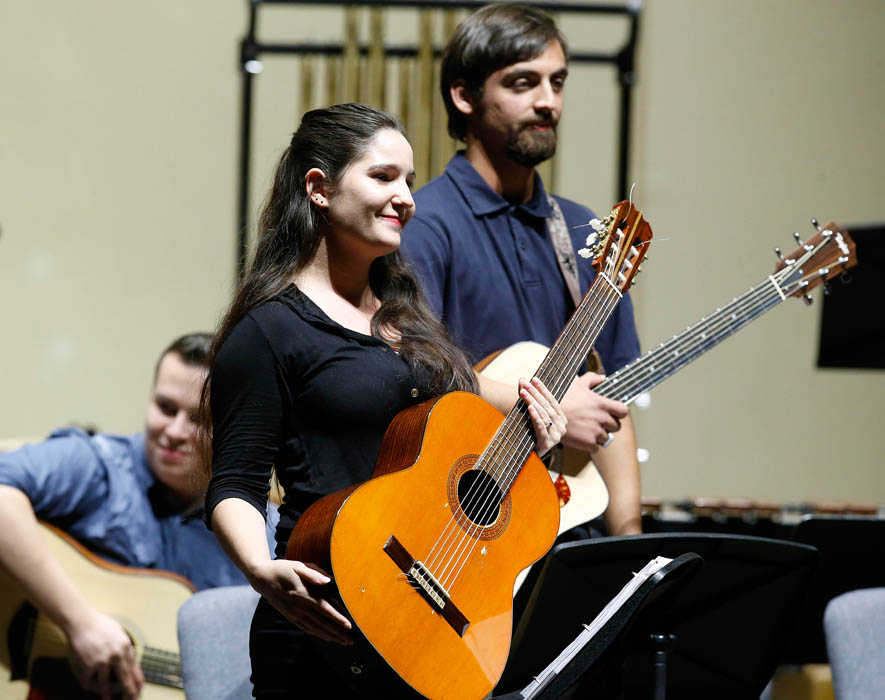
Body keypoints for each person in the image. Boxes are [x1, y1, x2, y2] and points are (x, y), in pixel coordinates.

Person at [202, 102, 568, 698]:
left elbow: (482, 402)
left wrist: (541, 417)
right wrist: (260, 571)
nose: (406, 198)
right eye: (383, 177)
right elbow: (234, 485)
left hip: (427, 624)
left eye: (410, 181)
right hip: (328, 624)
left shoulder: (408, 321)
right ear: (318, 189)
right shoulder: (269, 330)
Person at [400, 3, 642, 538]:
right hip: (459, 519)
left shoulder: (582, 231)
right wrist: (550, 410)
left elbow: (612, 401)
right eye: (523, 83)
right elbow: (412, 374)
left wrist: (629, 541)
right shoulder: (424, 224)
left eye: (557, 82)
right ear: (464, 96)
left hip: (566, 519)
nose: (548, 102)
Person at [0, 332, 260, 700]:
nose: (174, 432)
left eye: (199, 419)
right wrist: (80, 624)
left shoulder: (256, 530)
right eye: (166, 408)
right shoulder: (97, 464)